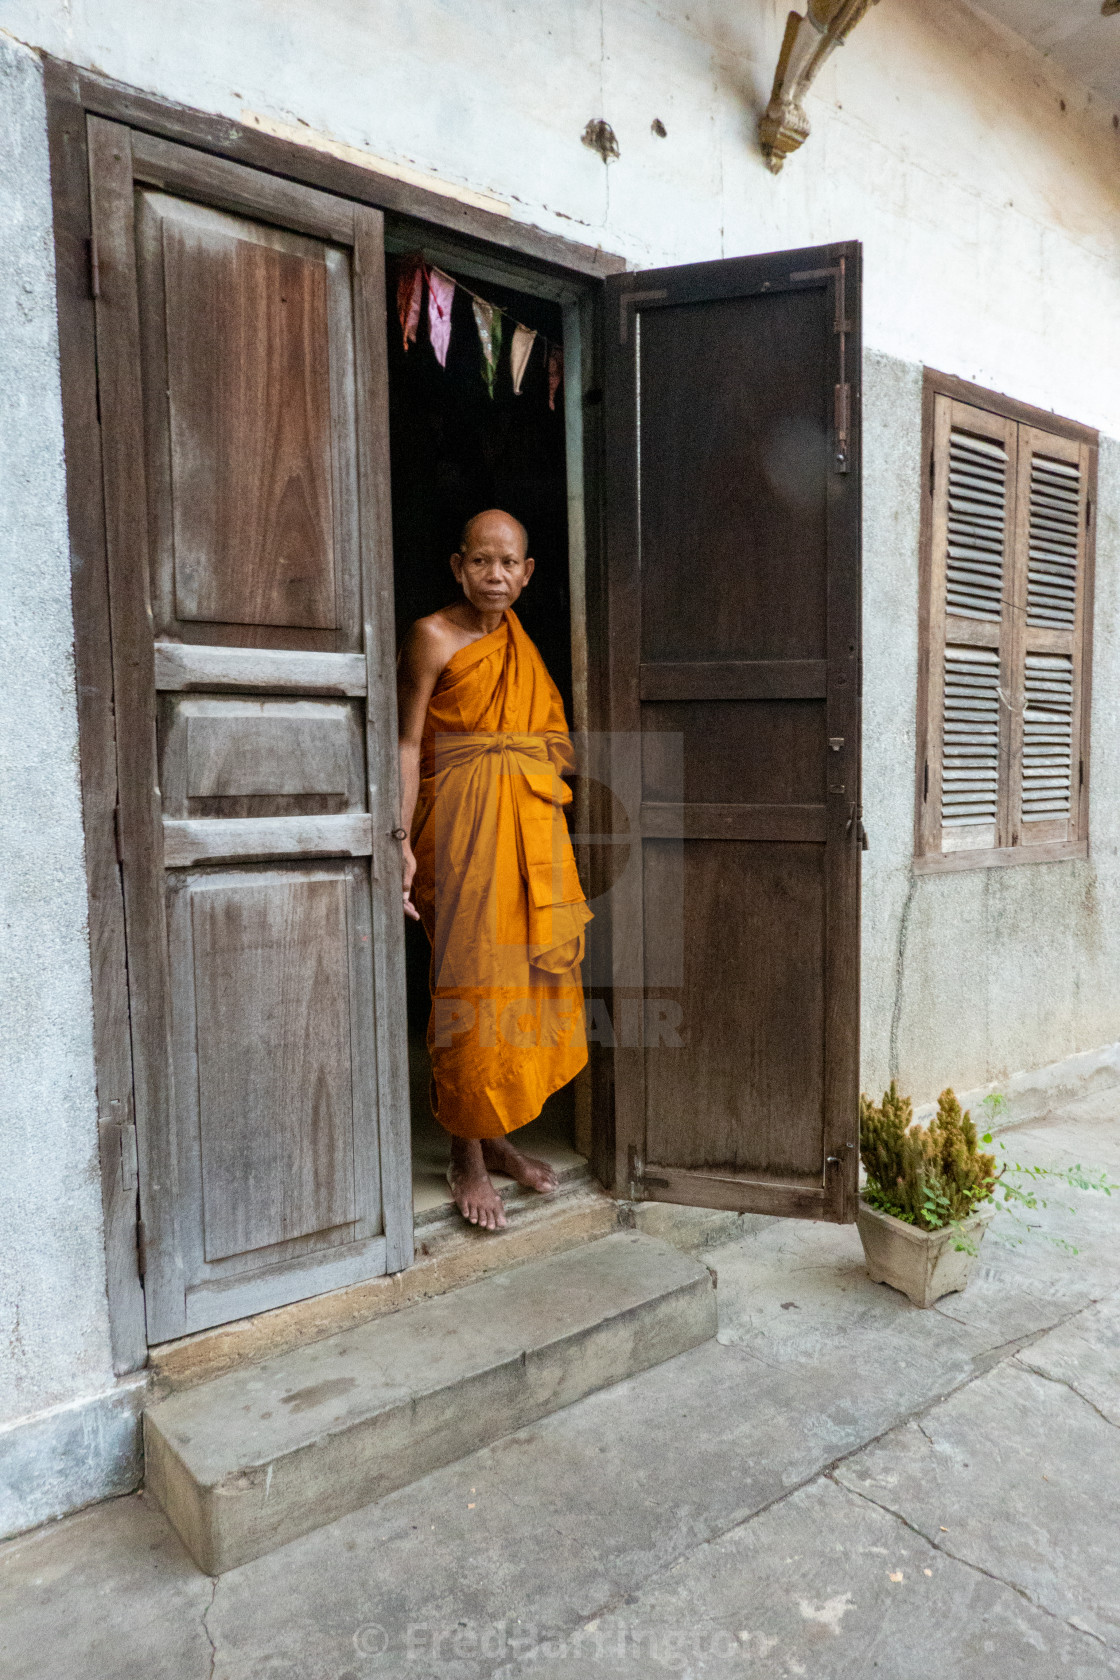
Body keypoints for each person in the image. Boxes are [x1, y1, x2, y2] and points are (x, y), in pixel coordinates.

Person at [396, 509, 591, 1230]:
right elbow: (406, 743)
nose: (496, 576)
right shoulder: (432, 637)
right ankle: (465, 1157)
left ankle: (498, 1138)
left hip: (524, 833)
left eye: (509, 563)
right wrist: (399, 840)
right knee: (467, 987)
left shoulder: (518, 643)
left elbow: (549, 739)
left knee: (519, 981)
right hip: (455, 835)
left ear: (528, 572)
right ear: (458, 565)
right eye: (482, 561)